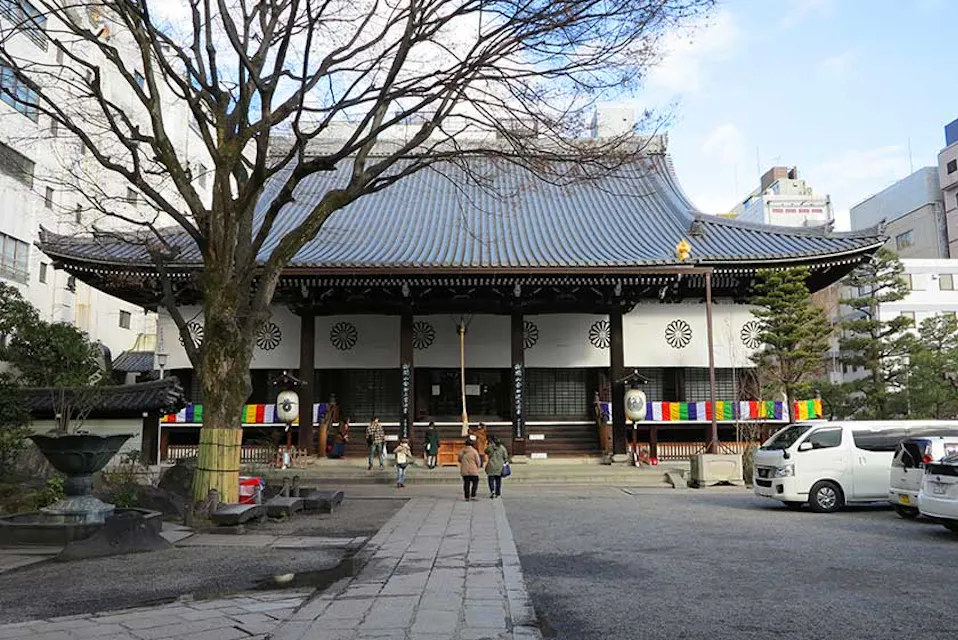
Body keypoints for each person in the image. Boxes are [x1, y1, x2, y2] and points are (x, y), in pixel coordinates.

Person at [484, 435, 510, 499]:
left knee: (491, 480)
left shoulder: (490, 447)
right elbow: (505, 457)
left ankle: (492, 491)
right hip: (499, 466)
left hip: (491, 466)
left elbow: (485, 451)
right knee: (498, 480)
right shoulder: (502, 448)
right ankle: (498, 493)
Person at [458, 437, 481, 501]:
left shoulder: (462, 451)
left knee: (466, 483)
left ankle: (467, 497)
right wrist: (477, 467)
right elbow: (478, 461)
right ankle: (473, 495)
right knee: (475, 483)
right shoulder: (474, 451)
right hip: (473, 470)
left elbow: (459, 459)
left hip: (464, 470)